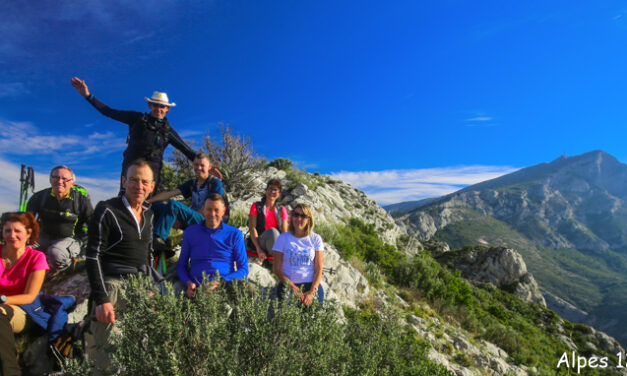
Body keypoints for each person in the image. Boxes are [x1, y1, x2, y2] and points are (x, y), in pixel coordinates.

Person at [84, 159, 161, 374]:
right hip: (113, 289)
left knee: (141, 350)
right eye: (134, 180)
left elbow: (148, 253)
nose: (139, 186)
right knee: (107, 355)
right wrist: (102, 299)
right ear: (124, 181)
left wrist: (150, 288)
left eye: (145, 182)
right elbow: (93, 256)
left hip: (141, 289)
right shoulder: (107, 209)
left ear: (152, 186)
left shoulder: (149, 213)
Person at [70, 77, 201, 193]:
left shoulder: (168, 131)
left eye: (162, 106)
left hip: (152, 174)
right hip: (130, 168)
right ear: (150, 105)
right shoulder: (136, 118)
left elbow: (186, 149)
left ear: (167, 109)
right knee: (124, 200)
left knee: (147, 204)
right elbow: (109, 112)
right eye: (155, 105)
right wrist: (88, 96)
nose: (158, 109)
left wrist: (207, 166)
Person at [0, 212, 49, 376]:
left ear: (28, 233)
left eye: (17, 231)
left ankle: (10, 371)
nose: (11, 236)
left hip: (23, 309)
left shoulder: (36, 258)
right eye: (7, 231)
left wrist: (2, 300)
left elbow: (29, 296)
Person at [148, 153, 224, 251]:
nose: (199, 168)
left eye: (202, 165)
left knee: (173, 205)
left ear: (209, 167)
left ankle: (159, 240)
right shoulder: (193, 183)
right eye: (196, 165)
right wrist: (147, 201)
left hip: (206, 221)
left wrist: (182, 221)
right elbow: (170, 193)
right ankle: (159, 238)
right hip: (193, 217)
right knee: (156, 206)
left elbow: (210, 209)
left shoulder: (215, 183)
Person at [177, 194, 248, 298]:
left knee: (249, 290)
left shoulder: (234, 234)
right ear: (203, 210)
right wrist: (188, 283)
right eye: (209, 209)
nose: (212, 214)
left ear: (223, 211)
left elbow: (243, 269)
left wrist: (220, 282)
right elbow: (181, 265)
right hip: (196, 285)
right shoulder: (190, 232)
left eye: (216, 210)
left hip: (224, 285)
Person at [26, 165, 93, 272]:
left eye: (64, 179)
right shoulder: (40, 197)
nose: (60, 181)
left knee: (55, 254)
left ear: (72, 183)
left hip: (71, 238)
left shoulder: (81, 200)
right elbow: (26, 220)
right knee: (24, 249)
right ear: (50, 179)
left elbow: (93, 224)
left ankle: (69, 268)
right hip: (44, 236)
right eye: (56, 177)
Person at [272, 204, 324, 305]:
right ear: (291, 217)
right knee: (289, 317)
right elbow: (277, 269)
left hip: (310, 285)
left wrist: (312, 292)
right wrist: (293, 287)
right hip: (288, 284)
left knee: (314, 316)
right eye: (296, 215)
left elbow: (318, 268)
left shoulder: (315, 239)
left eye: (303, 216)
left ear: (309, 219)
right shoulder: (282, 238)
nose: (299, 218)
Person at [248, 179, 288, 262]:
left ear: (279, 194)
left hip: (276, 243)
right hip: (260, 241)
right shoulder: (256, 206)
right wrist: (258, 249)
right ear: (266, 191)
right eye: (270, 188)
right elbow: (252, 228)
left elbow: (284, 232)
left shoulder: (282, 210)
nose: (272, 191)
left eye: (275, 190)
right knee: (273, 232)